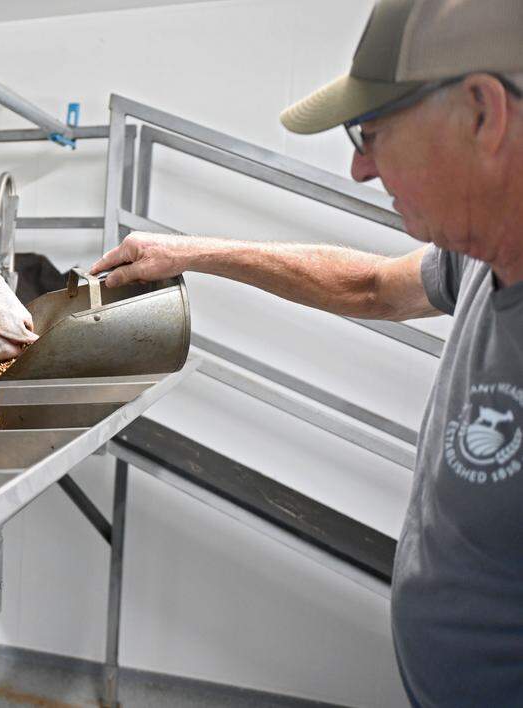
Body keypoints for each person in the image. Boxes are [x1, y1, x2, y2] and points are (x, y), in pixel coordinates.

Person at [91, 1, 523, 706]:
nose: (358, 168)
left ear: (482, 113)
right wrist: (188, 251)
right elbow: (371, 285)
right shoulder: (478, 257)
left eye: (371, 131)